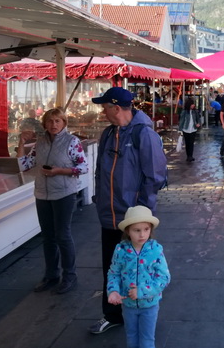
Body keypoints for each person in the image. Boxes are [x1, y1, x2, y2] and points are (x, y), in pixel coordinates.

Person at [89, 87, 168, 335]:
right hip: (108, 214)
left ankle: (142, 311)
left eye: (105, 107)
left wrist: (140, 213)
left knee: (139, 267)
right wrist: (99, 197)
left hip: (132, 219)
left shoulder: (144, 134)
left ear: (116, 108)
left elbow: (155, 176)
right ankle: (112, 314)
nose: (102, 111)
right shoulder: (107, 134)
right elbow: (100, 172)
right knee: (112, 268)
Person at [17, 108, 89, 294]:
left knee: (62, 235)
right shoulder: (40, 142)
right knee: (48, 237)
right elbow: (24, 166)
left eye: (58, 121)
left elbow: (83, 167)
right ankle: (51, 275)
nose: (54, 125)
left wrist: (60, 171)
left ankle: (69, 276)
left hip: (64, 193)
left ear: (64, 123)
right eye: (50, 121)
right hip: (42, 194)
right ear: (44, 124)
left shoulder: (72, 142)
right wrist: (21, 142)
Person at [108, 206, 170, 348]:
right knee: (131, 337)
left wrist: (141, 291)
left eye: (146, 229)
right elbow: (114, 273)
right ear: (128, 231)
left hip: (149, 305)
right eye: (137, 230)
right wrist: (113, 291)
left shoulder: (155, 251)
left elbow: (164, 278)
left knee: (147, 340)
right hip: (128, 305)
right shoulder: (121, 251)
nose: (142, 234)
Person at [178, 98, 201, 162]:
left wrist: (198, 124)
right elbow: (181, 121)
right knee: (187, 143)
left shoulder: (195, 111)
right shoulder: (184, 112)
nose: (193, 105)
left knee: (191, 143)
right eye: (192, 104)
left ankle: (190, 156)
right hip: (186, 129)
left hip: (193, 129)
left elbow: (198, 119)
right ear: (189, 105)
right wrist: (180, 129)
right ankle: (188, 156)